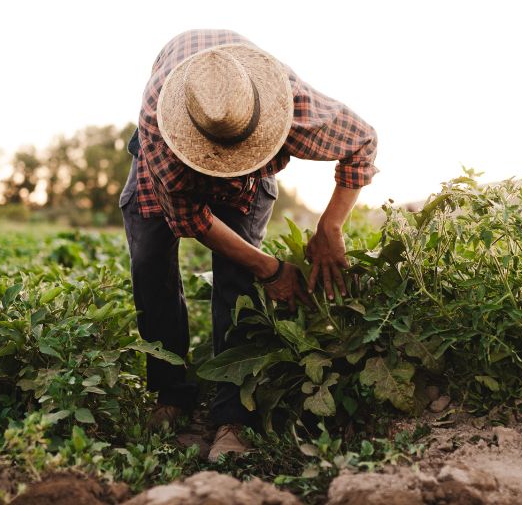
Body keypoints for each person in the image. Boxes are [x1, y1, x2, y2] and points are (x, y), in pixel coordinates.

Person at [119, 29, 377, 462]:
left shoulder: (289, 104)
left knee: (238, 283)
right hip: (166, 168)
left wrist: (330, 227)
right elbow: (193, 220)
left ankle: (232, 416)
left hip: (251, 161)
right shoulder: (160, 131)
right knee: (149, 264)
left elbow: (362, 143)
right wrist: (272, 268)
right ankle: (172, 392)